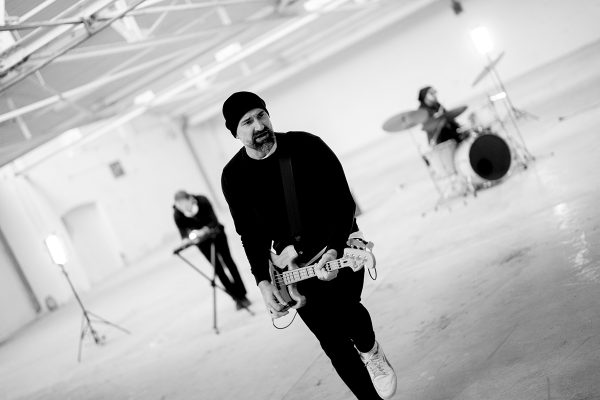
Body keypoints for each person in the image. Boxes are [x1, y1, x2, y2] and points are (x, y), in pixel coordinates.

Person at [220, 91, 397, 400]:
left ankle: (371, 351)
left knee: (347, 313)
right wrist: (262, 280)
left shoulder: (307, 146)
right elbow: (250, 235)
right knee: (332, 343)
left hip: (337, 243)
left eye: (261, 115)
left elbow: (343, 203)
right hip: (291, 266)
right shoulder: (233, 177)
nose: (258, 125)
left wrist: (334, 248)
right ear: (235, 133)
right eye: (247, 122)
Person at [173, 190, 251, 310]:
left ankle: (243, 294)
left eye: (184, 204)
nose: (182, 208)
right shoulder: (178, 214)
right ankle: (236, 298)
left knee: (229, 262)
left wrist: (204, 230)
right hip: (202, 242)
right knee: (218, 269)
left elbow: (213, 220)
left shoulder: (202, 201)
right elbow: (183, 234)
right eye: (179, 206)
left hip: (217, 234)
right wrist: (186, 240)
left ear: (190, 199)